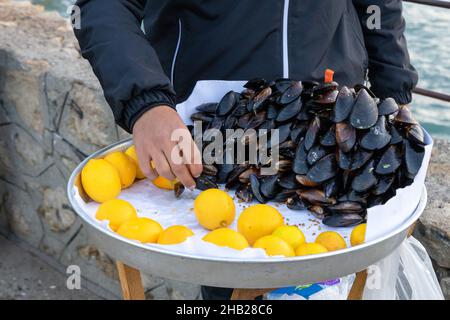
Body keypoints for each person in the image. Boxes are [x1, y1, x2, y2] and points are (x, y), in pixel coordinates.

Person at [73, 0, 418, 300]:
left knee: (328, 280)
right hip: (220, 132)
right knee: (233, 285)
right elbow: (103, 6)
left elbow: (378, 6)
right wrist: (146, 103)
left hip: (326, 136)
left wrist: (396, 99)